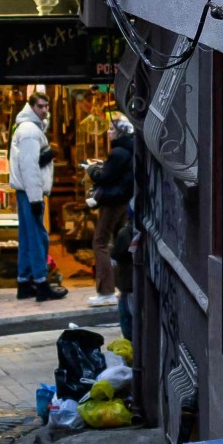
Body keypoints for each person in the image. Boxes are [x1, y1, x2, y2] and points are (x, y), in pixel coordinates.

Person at [9, 87, 66, 300]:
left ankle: (24, 283)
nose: (44, 110)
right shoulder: (30, 132)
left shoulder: (28, 129)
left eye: (46, 106)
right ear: (31, 107)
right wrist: (35, 198)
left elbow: (30, 163)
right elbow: (30, 167)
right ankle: (41, 283)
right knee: (37, 237)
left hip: (25, 192)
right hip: (30, 192)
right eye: (40, 107)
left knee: (27, 237)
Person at [93, 114, 139, 342]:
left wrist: (94, 172)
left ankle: (106, 289)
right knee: (117, 242)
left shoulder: (119, 151)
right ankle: (114, 287)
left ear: (119, 132)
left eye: (111, 129)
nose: (108, 133)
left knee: (100, 241)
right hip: (122, 200)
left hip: (112, 200)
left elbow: (106, 176)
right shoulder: (130, 150)